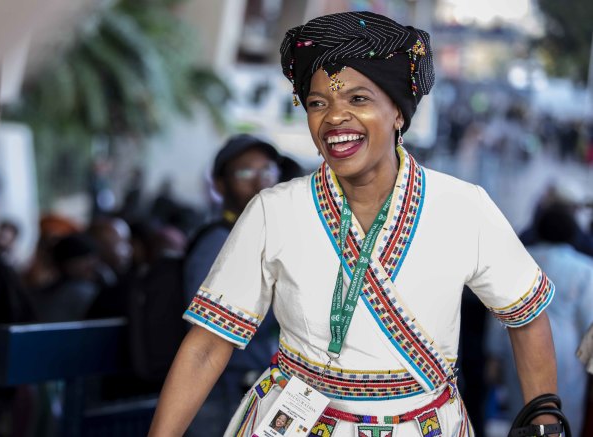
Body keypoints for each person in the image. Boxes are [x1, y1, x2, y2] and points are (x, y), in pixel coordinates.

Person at [149, 11, 559, 436]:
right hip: (295, 424)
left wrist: (546, 428)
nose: (334, 117)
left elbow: (527, 316)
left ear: (398, 112)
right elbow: (208, 345)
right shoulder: (274, 210)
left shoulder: (464, 207)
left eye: (358, 99)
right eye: (317, 103)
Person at [183, 133, 283, 436]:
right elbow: (207, 336)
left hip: (250, 391)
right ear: (219, 185)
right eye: (245, 172)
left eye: (267, 170)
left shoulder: (262, 237)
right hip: (221, 398)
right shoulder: (217, 243)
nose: (260, 181)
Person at [487, 204, 593, 436]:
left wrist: (493, 354)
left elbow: (498, 310)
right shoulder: (584, 268)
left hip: (518, 346)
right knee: (566, 420)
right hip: (567, 354)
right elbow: (589, 320)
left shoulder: (518, 262)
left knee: (523, 415)